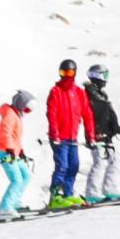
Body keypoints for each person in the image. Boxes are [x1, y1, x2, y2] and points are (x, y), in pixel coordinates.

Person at [43, 60, 90, 207]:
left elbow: (87, 113)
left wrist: (90, 135)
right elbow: (52, 113)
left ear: (74, 73)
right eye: (63, 73)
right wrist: (54, 133)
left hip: (72, 137)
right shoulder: (55, 91)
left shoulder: (78, 92)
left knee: (74, 165)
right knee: (62, 166)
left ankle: (68, 193)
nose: (66, 76)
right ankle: (55, 196)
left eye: (69, 73)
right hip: (59, 138)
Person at [81, 64, 120, 198]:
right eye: (105, 76)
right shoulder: (90, 93)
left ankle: (109, 189)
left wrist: (114, 127)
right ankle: (91, 193)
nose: (106, 79)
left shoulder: (101, 93)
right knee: (99, 162)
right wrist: (93, 134)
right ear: (97, 76)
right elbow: (93, 114)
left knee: (113, 161)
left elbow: (107, 113)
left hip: (106, 133)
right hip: (96, 133)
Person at [0, 93, 34, 222]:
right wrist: (9, 148)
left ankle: (14, 202)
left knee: (26, 176)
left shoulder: (16, 115)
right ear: (20, 105)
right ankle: (5, 209)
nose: (27, 112)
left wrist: (20, 151)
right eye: (26, 108)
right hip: (5, 153)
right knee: (16, 180)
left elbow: (15, 137)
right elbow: (4, 132)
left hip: (13, 153)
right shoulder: (10, 114)